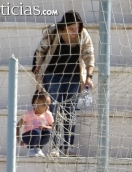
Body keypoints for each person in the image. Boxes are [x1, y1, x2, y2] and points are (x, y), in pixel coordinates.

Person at [32, 10, 94, 157]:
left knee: (70, 111)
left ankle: (68, 146)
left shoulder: (83, 34)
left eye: (77, 28)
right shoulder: (54, 31)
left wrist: (89, 77)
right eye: (71, 28)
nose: (75, 31)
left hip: (73, 77)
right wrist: (37, 71)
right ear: (64, 26)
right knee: (53, 110)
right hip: (53, 75)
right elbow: (40, 51)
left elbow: (89, 54)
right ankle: (54, 146)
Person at [16, 90, 54, 157]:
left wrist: (45, 127)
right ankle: (30, 149)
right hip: (28, 137)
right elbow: (18, 126)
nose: (47, 107)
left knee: (49, 132)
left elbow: (53, 127)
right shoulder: (28, 114)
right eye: (44, 104)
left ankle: (38, 148)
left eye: (48, 105)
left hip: (40, 136)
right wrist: (19, 140)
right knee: (37, 132)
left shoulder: (48, 114)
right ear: (36, 102)